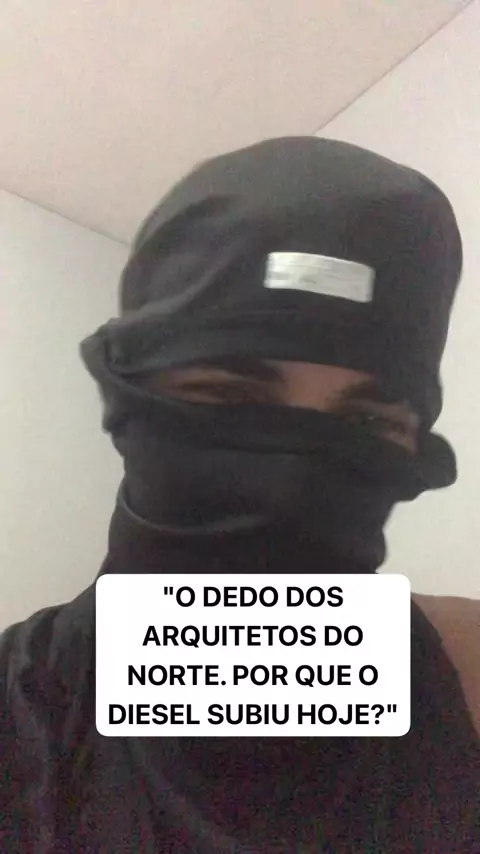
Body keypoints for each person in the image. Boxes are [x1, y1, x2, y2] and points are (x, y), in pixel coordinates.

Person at [1, 137, 478, 853]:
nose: (289, 480)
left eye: (365, 423)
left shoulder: (467, 676)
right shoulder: (21, 716)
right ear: (126, 397)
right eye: (227, 396)